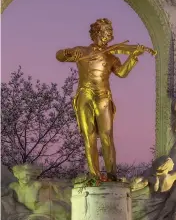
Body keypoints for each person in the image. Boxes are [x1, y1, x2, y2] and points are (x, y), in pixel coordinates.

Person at [56, 18, 153, 180]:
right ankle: (94, 175)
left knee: (107, 136)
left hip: (103, 96)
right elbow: (59, 56)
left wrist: (133, 56)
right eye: (107, 32)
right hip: (84, 95)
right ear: (97, 33)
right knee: (89, 136)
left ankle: (112, 174)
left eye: (110, 33)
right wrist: (67, 52)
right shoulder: (82, 51)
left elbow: (122, 73)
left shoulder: (111, 57)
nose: (110, 36)